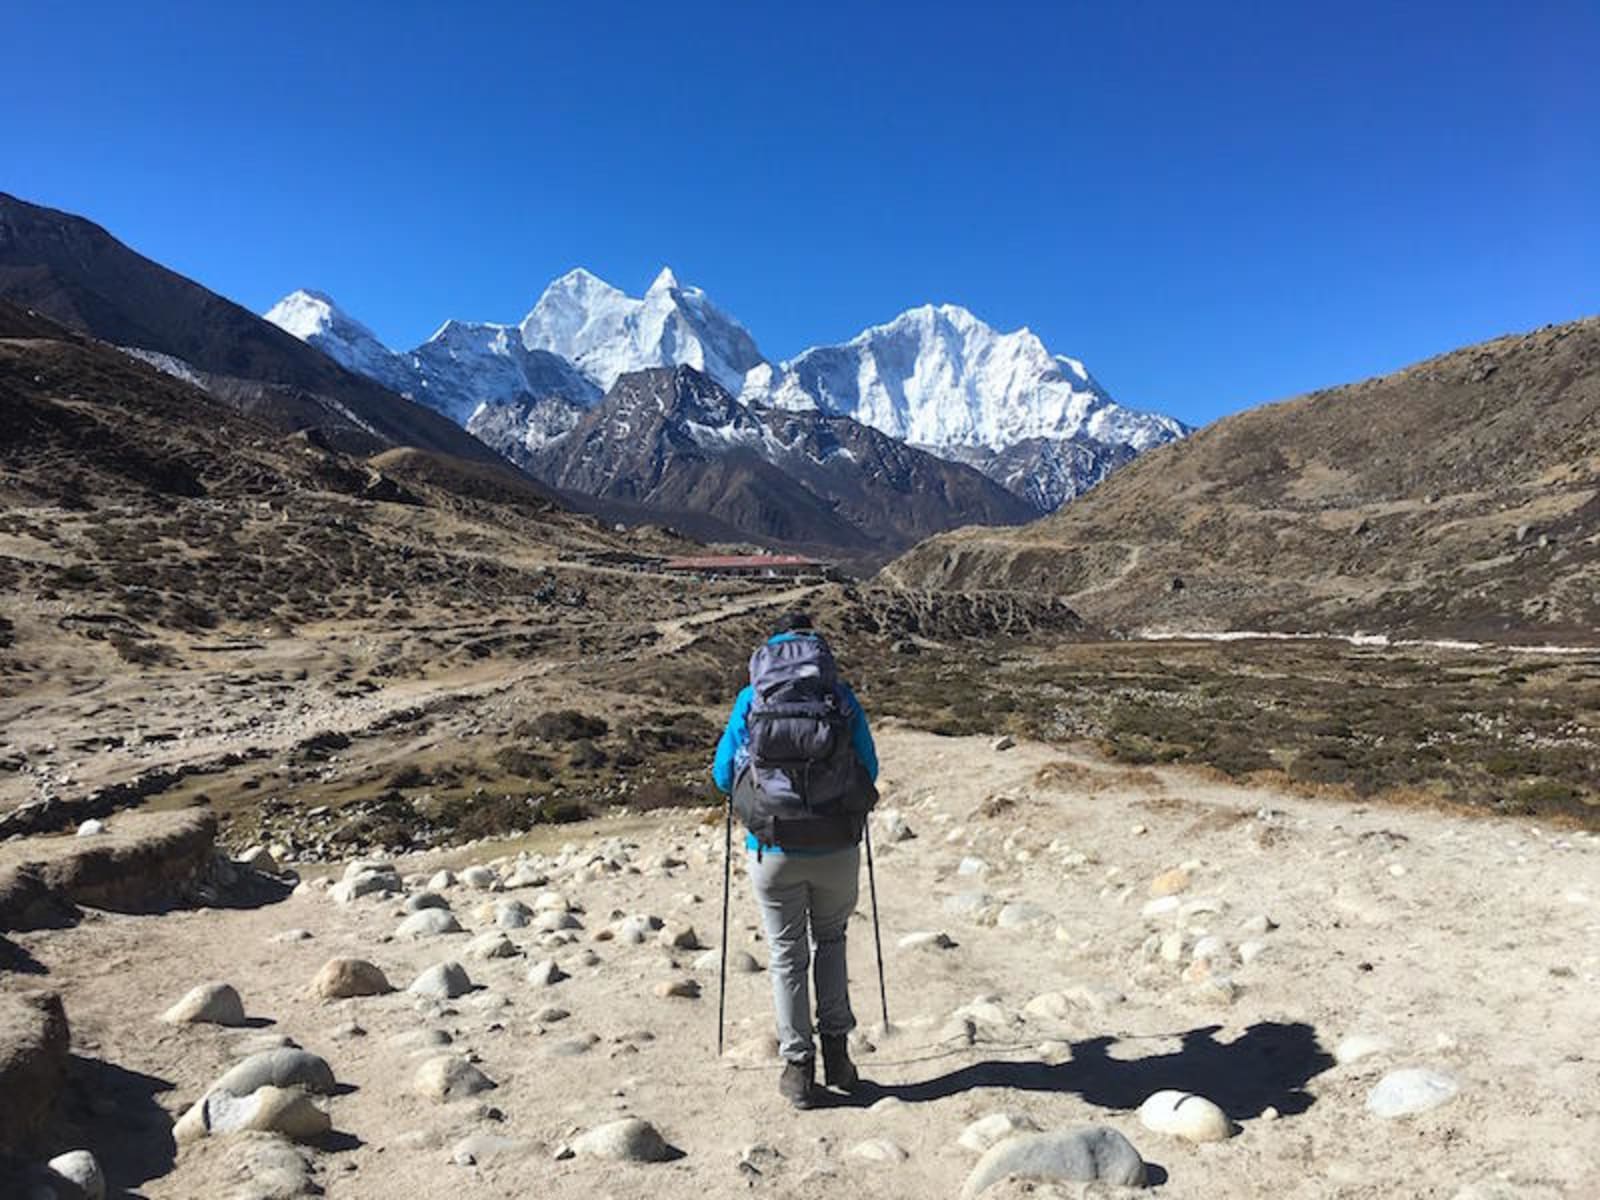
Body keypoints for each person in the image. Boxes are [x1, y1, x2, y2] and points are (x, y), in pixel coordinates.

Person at [712, 611, 879, 1108]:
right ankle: (840, 1058)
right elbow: (868, 769)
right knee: (831, 941)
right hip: (836, 845)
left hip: (774, 847)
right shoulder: (840, 697)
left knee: (787, 955)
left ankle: (798, 1070)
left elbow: (723, 775)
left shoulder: (752, 699)